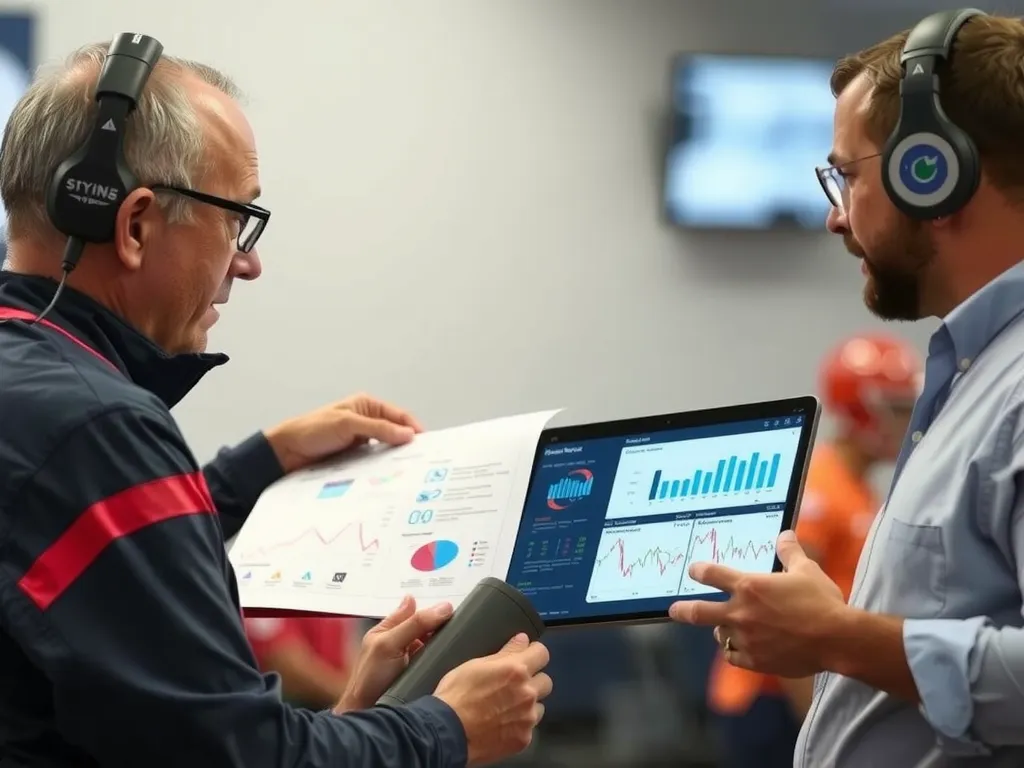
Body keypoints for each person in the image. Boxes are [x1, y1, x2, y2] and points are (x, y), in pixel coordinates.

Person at [0, 42, 551, 768]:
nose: (247, 263)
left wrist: (263, 462)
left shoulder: (38, 394)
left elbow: (84, 554)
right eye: (236, 221)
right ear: (133, 226)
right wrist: (447, 728)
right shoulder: (97, 429)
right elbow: (243, 755)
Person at [671, 11, 1024, 767]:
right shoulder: (973, 375)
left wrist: (839, 638)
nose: (834, 216)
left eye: (847, 176)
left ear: (931, 170)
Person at [705, 333, 920, 768]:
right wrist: (816, 722)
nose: (908, 420)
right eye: (896, 408)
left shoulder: (857, 487)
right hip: (772, 693)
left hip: (813, 682)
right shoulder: (820, 487)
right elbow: (786, 613)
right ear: (861, 408)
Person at [245, 615, 361, 710]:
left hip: (331, 704)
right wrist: (348, 697)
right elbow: (284, 662)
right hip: (288, 705)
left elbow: (349, 650)